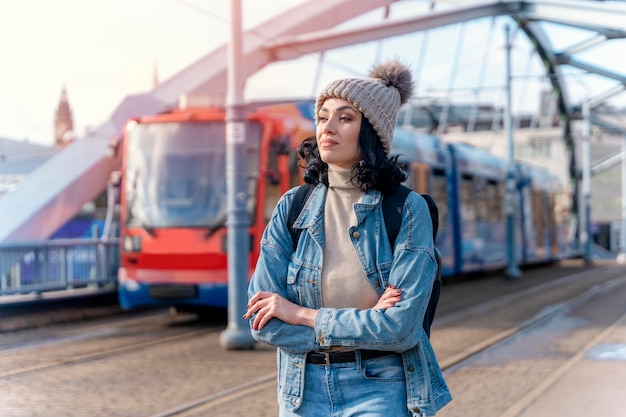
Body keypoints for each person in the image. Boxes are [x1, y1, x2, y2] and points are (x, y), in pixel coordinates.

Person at [244, 60, 451, 416]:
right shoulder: (292, 207)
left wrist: (302, 314)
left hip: (381, 387)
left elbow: (401, 329)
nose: (328, 127)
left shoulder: (405, 209)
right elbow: (264, 322)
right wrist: (367, 321)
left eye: (345, 117)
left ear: (370, 130)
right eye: (323, 116)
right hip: (301, 390)